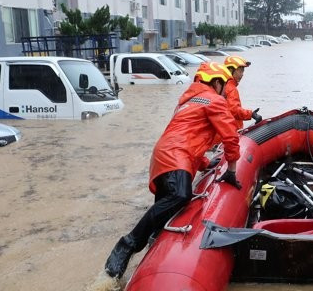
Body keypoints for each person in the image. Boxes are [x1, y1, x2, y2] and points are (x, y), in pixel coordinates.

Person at [103, 61, 242, 279]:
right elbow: (231, 136)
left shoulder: (187, 102)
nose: (226, 90)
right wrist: (231, 170)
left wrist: (205, 164)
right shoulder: (215, 101)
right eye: (224, 85)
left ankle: (135, 268)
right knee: (180, 195)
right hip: (176, 156)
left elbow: (188, 135)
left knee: (162, 220)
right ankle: (127, 244)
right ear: (216, 83)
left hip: (162, 156)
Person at [223, 55, 261, 129]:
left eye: (243, 71)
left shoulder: (222, 86)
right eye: (240, 71)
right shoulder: (231, 88)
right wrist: (251, 114)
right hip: (231, 129)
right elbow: (234, 110)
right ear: (230, 70)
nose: (242, 74)